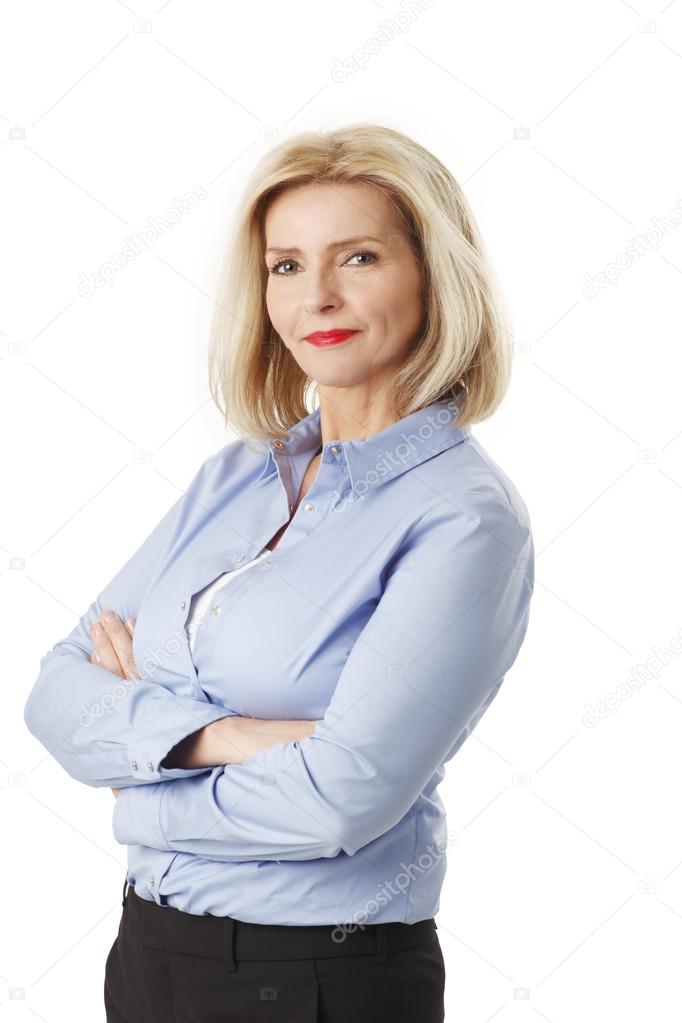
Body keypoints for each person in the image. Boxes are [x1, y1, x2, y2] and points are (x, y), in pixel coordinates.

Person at [23, 122, 535, 1022]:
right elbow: (57, 690)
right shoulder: (235, 477)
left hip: (315, 976)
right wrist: (227, 735)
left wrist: (137, 778)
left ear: (433, 276)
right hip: (148, 952)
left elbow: (339, 798)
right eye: (286, 266)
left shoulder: (463, 517)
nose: (317, 296)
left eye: (360, 257)